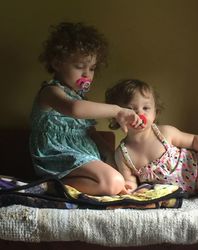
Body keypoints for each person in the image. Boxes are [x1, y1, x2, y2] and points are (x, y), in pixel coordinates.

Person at [29, 22, 143, 196]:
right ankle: (47, 187)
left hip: (84, 155)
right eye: (80, 67)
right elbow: (74, 109)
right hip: (58, 156)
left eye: (92, 68)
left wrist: (112, 157)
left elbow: (92, 134)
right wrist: (117, 110)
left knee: (120, 177)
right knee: (113, 182)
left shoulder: (81, 99)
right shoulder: (50, 92)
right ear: (57, 63)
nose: (87, 74)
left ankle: (106, 184)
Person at [105, 78, 198, 202]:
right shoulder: (123, 154)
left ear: (155, 113)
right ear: (118, 116)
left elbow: (194, 140)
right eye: (131, 110)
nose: (140, 114)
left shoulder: (164, 133)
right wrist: (131, 189)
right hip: (191, 187)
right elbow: (130, 181)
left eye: (146, 108)